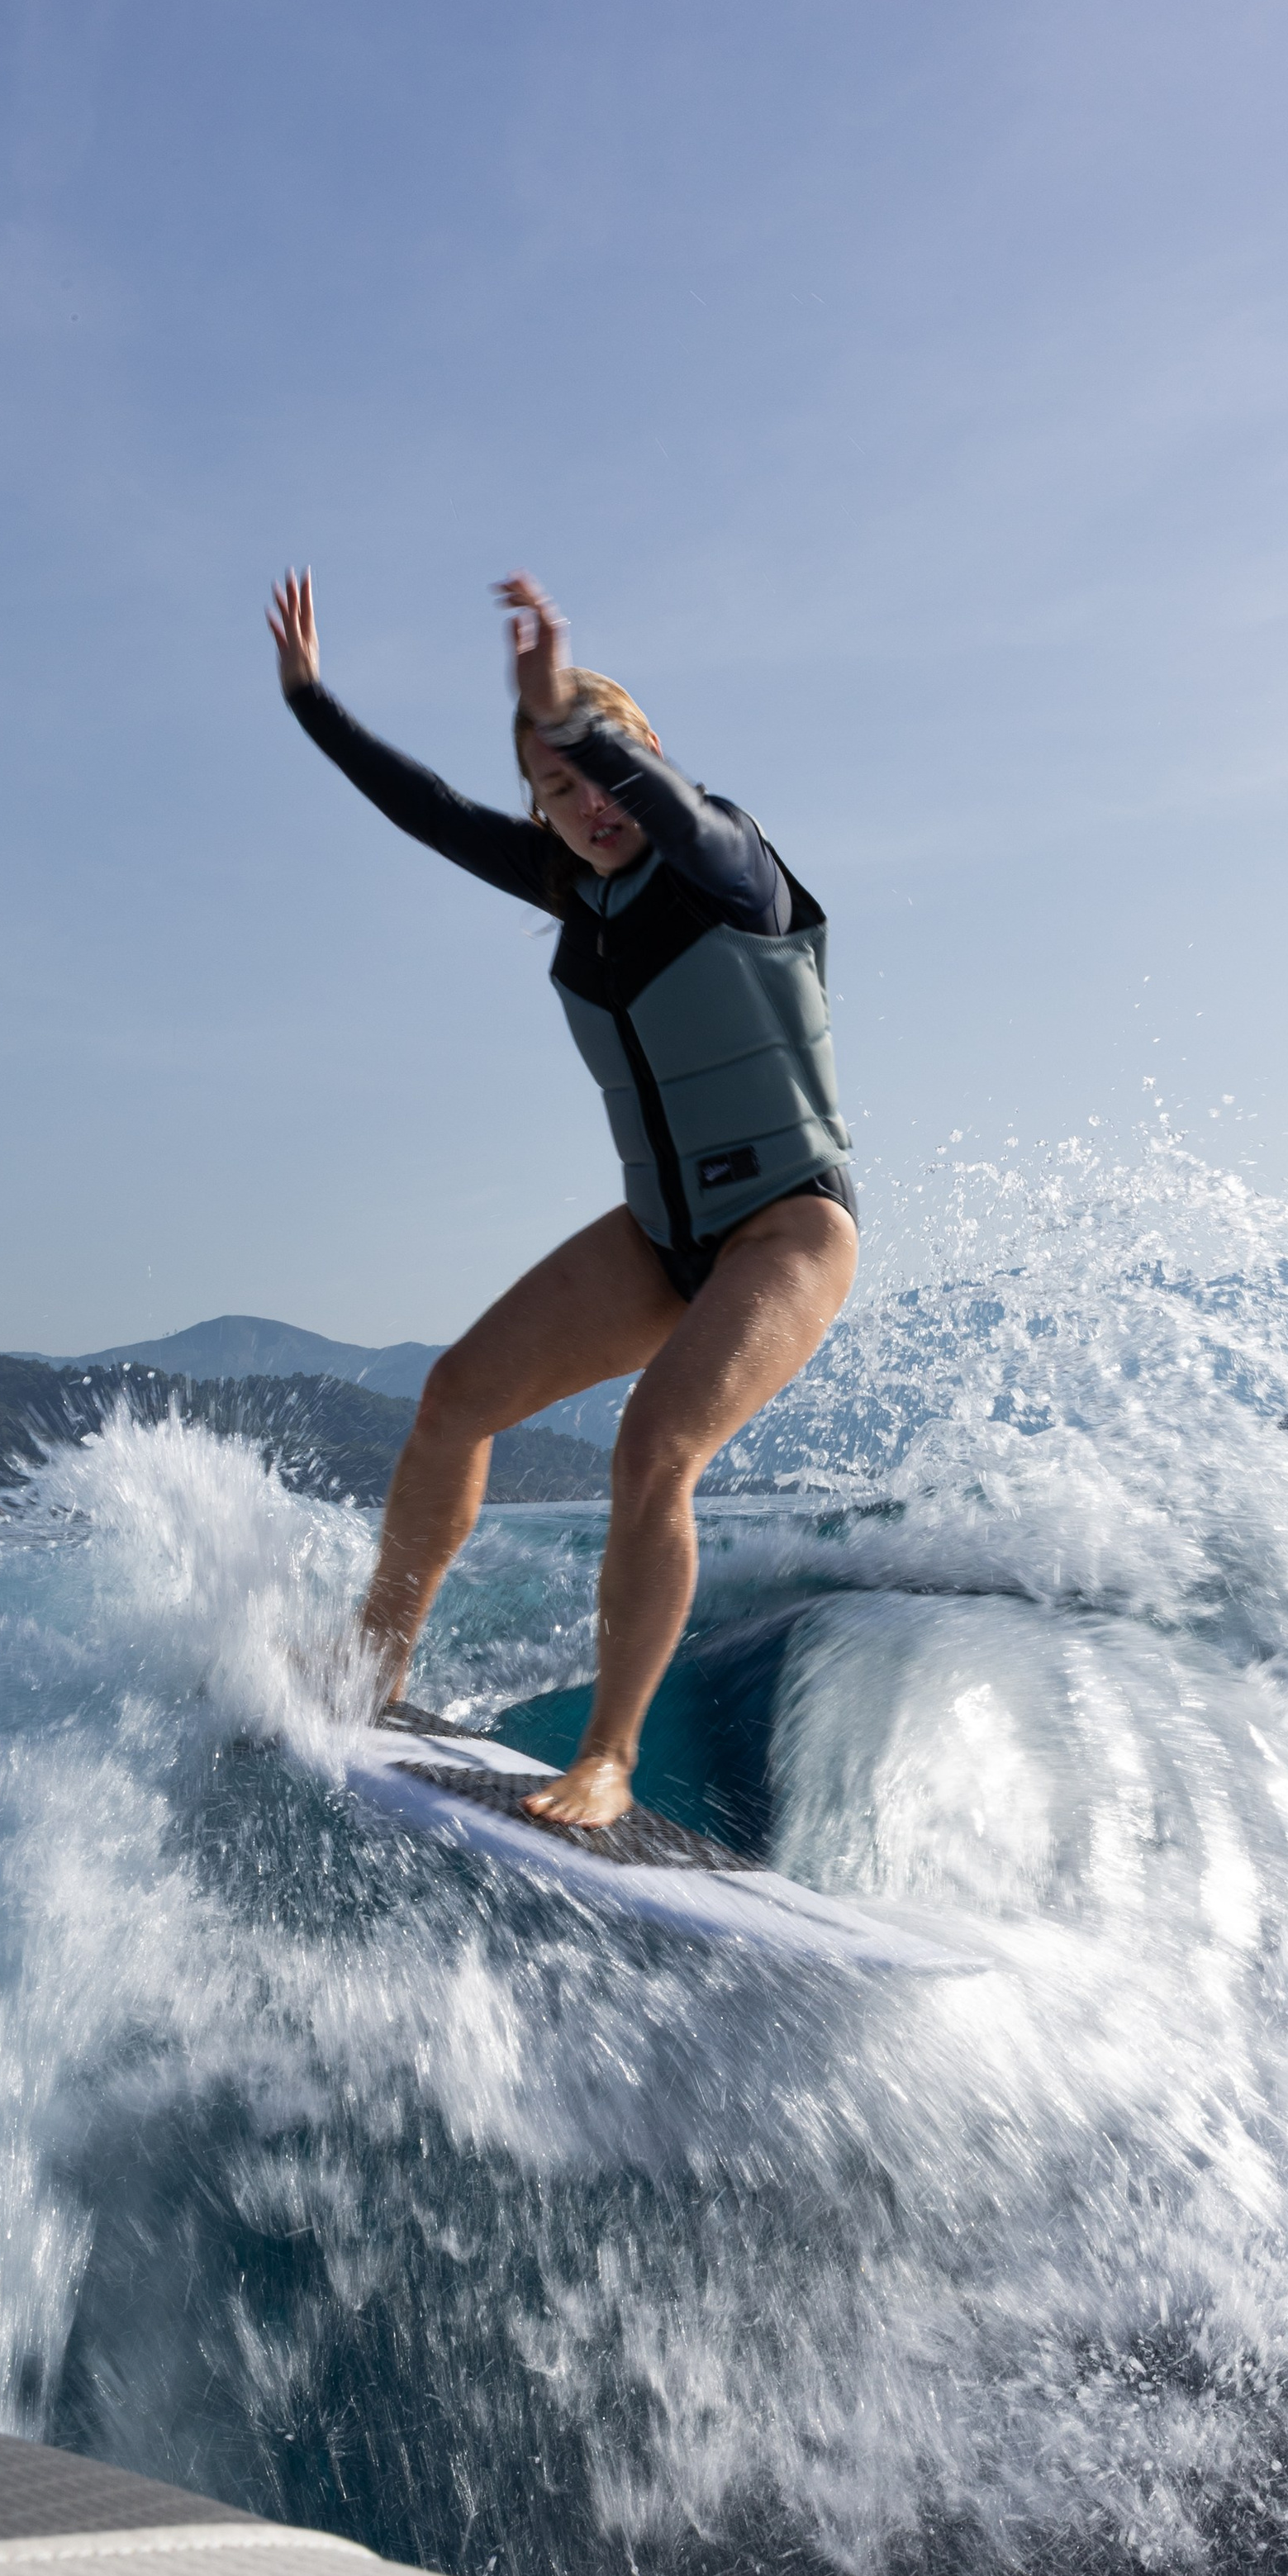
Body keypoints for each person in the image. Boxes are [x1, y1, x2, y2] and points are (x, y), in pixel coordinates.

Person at [266, 567, 859, 1831]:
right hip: (660, 1235)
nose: (587, 805)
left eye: (604, 772)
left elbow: (663, 807)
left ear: (646, 757)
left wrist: (566, 717)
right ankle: (372, 1667)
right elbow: (425, 809)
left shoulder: (730, 864)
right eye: (555, 790)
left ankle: (607, 1759)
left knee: (655, 1446)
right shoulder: (563, 887)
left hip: (787, 1224)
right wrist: (313, 704)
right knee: (453, 1400)